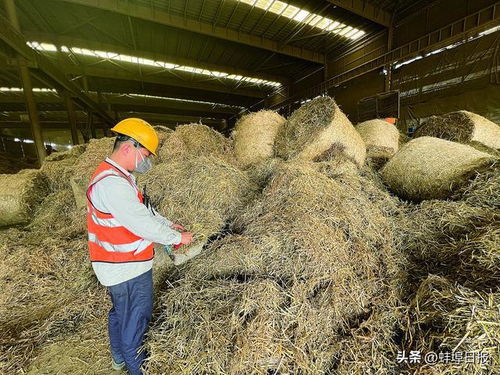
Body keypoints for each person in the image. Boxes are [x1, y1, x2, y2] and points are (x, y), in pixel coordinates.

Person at [86, 118, 193, 374]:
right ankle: (137, 369)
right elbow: (141, 224)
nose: (147, 161)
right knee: (135, 320)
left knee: (120, 314)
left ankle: (119, 359)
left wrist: (169, 224)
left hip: (117, 265)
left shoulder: (119, 177)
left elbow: (143, 211)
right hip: (126, 268)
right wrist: (178, 239)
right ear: (127, 148)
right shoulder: (112, 184)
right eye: (145, 154)